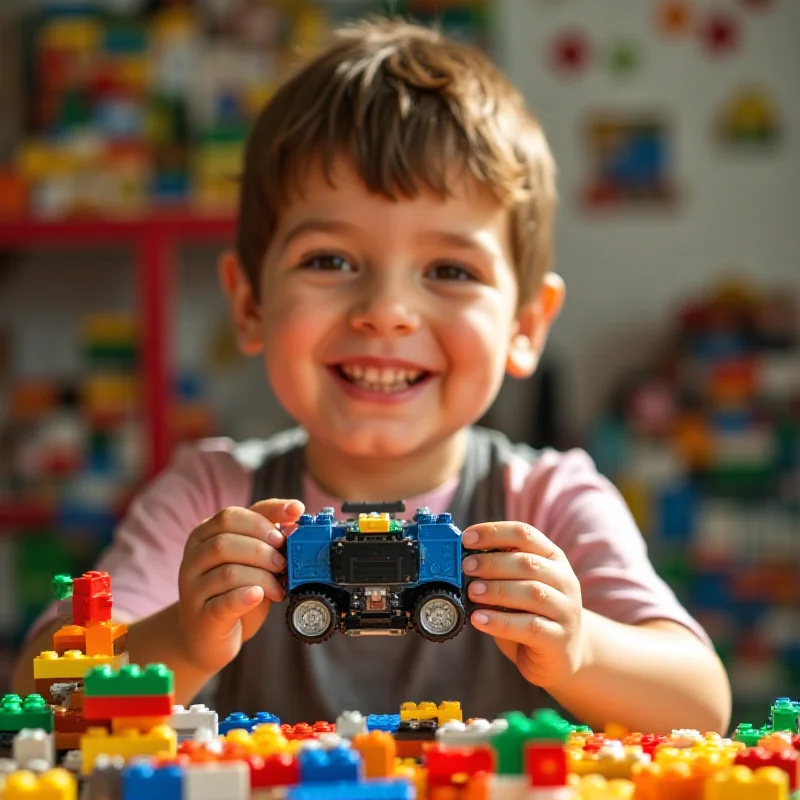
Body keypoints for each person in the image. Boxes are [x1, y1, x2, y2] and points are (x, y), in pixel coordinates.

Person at [14, 17, 731, 734]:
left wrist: (578, 648)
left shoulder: (550, 503)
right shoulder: (208, 498)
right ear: (250, 303)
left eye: (450, 270)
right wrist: (183, 638)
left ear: (527, 325)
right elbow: (44, 706)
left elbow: (701, 705)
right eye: (330, 260)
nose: (386, 312)